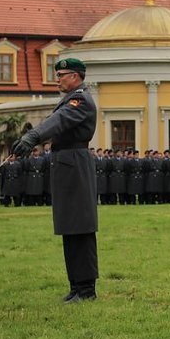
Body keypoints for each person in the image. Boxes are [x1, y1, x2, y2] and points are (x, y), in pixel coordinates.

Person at [12, 57, 99, 304]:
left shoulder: (79, 99)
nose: (57, 79)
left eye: (61, 75)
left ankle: (86, 289)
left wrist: (32, 137)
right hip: (67, 164)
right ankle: (76, 286)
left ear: (75, 76)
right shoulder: (71, 98)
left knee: (80, 228)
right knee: (70, 228)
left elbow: (57, 122)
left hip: (74, 165)